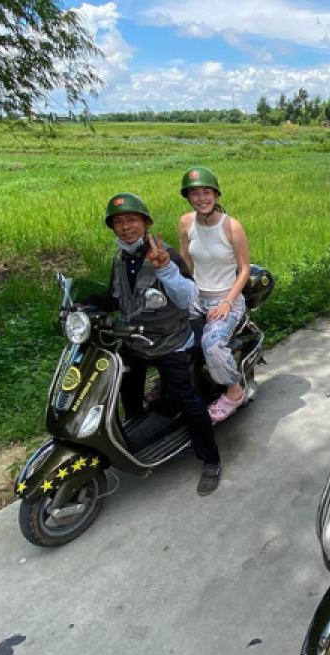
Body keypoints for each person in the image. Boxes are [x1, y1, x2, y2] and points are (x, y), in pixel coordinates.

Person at [86, 193, 224, 496]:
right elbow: (116, 296)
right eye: (119, 223)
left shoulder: (165, 254)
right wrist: (83, 305)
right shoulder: (120, 258)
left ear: (145, 222)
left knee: (188, 400)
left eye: (131, 220)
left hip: (170, 341)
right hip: (135, 340)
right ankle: (139, 432)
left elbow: (188, 297)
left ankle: (210, 459)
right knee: (124, 386)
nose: (125, 227)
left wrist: (164, 269)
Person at [176, 166, 252, 423]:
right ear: (188, 197)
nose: (201, 198)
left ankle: (234, 390)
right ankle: (172, 382)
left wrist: (228, 303)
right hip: (196, 297)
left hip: (226, 298)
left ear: (216, 194)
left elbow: (244, 270)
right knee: (165, 332)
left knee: (212, 344)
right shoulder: (186, 222)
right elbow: (185, 261)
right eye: (194, 193)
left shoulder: (231, 226)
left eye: (206, 192)